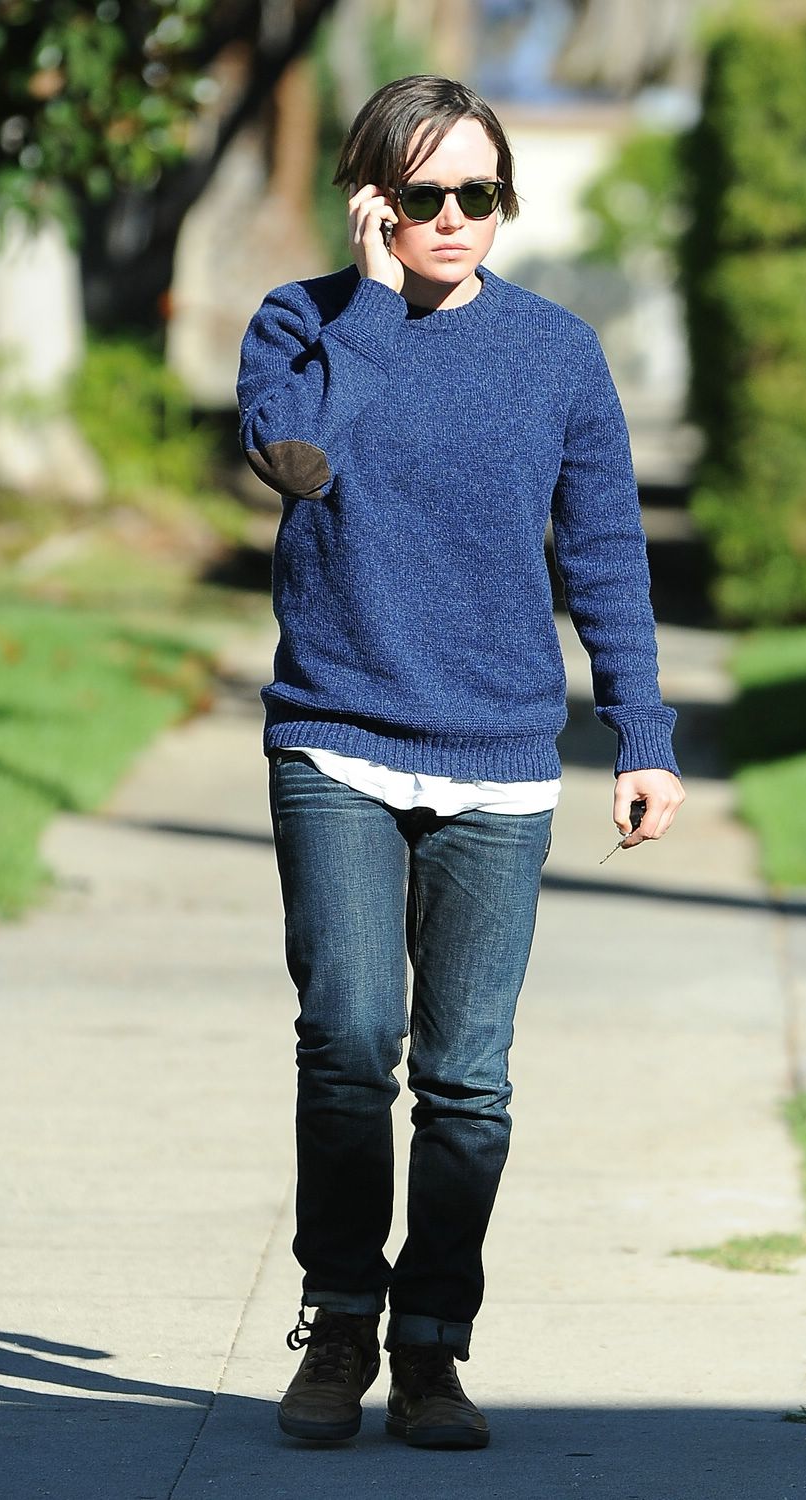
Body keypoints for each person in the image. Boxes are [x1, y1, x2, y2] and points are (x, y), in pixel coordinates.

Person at [236, 73, 684, 1452]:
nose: (450, 219)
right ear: (370, 197)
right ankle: (338, 1322)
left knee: (469, 1076)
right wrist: (369, 306)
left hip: (498, 750)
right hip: (339, 733)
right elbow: (294, 459)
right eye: (421, 195)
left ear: (505, 203)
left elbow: (602, 552)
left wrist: (643, 734)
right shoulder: (299, 327)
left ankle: (432, 1345)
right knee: (350, 1037)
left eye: (475, 195)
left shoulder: (554, 354)